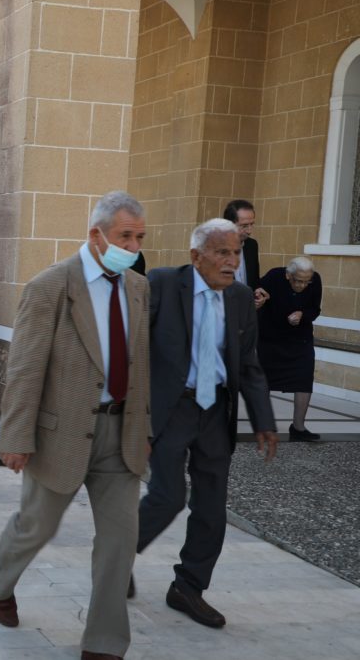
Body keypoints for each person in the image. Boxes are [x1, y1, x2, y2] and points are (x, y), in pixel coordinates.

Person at [0, 191, 150, 660]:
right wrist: (16, 437)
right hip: (60, 434)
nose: (133, 246)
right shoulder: (51, 286)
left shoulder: (139, 288)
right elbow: (24, 368)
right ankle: (0, 575)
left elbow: (141, 369)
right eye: (125, 236)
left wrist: (146, 431)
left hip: (121, 435)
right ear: (95, 235)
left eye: (139, 237)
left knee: (120, 542)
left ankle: (104, 643)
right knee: (38, 526)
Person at [135, 218, 277, 630]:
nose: (232, 262)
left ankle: (188, 586)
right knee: (167, 496)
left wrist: (264, 420)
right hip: (170, 408)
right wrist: (138, 420)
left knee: (212, 508)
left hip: (215, 411)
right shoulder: (161, 284)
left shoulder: (240, 298)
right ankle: (115, 558)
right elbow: (135, 351)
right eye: (222, 253)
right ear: (196, 257)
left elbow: (249, 366)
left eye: (235, 253)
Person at [258, 257, 322, 442]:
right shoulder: (274, 277)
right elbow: (256, 294)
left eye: (306, 281)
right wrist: (261, 298)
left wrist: (303, 314)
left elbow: (315, 309)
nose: (303, 285)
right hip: (270, 338)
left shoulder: (315, 280)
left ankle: (298, 428)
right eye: (298, 281)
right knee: (263, 383)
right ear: (288, 275)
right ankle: (263, 427)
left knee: (304, 379)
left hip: (299, 339)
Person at [223, 200, 269, 309]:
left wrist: (258, 294)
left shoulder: (252, 245)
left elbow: (254, 281)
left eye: (252, 224)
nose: (249, 231)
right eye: (244, 226)